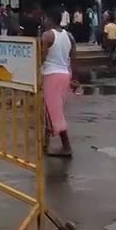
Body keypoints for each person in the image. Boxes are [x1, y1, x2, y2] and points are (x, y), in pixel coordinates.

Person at [41, 9, 77, 157]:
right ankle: (45, 144)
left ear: (49, 19)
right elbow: (73, 57)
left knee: (53, 111)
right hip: (64, 74)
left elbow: (41, 57)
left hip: (51, 74)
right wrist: (74, 77)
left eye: (45, 18)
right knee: (52, 109)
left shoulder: (47, 35)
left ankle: (66, 146)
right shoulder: (69, 36)